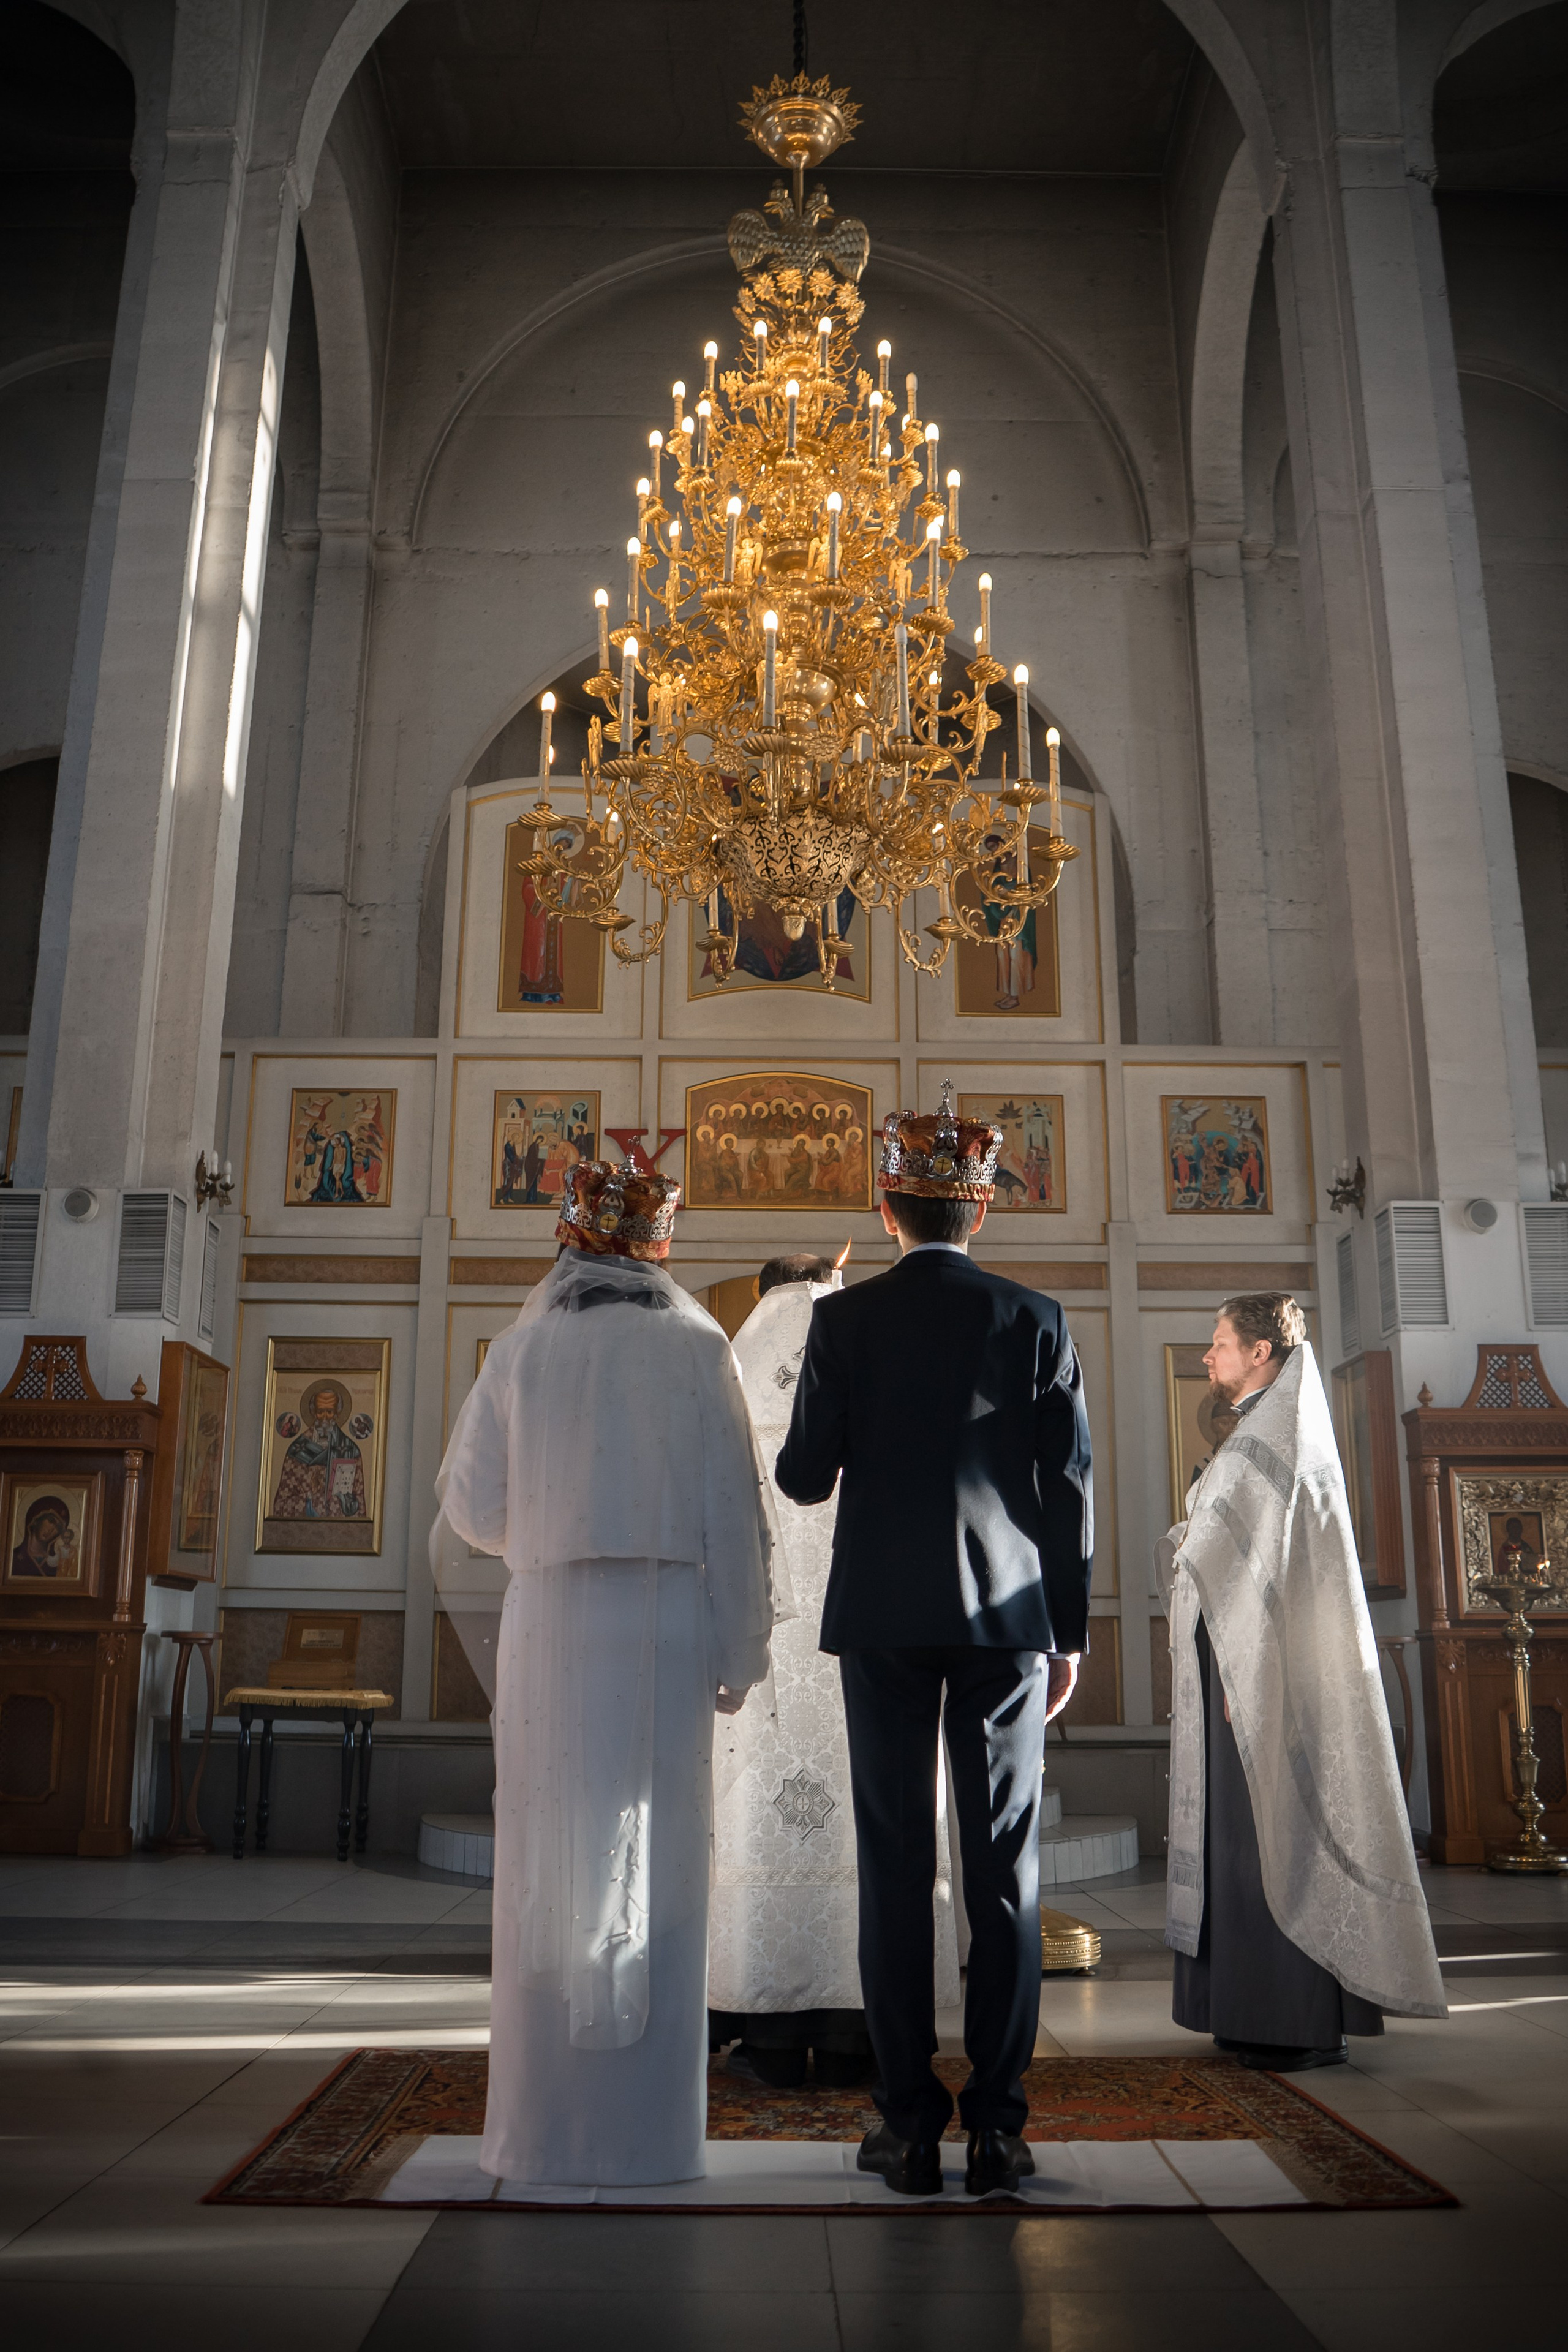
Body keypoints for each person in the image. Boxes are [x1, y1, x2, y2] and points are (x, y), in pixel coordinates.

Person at [776, 1081, 1093, 2198]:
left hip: (884, 1621)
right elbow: (1068, 1488)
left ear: (886, 1204)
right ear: (981, 1213)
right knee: (1005, 1868)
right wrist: (1071, 1633)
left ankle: (908, 2126)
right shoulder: (1036, 1318)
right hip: (1010, 1622)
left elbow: (804, 1478)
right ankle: (1000, 2128)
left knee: (897, 1866)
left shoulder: (842, 1319)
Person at [435, 1154, 776, 2187]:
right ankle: (649, 2135)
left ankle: (542, 2130)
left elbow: (477, 1511)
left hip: (552, 1623)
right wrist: (741, 1651)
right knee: (660, 1849)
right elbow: (735, 1513)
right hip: (667, 1620)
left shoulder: (527, 1350)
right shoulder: (694, 1342)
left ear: (573, 1242)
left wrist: (560, 1513)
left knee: (550, 1854)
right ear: (657, 1247)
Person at [1160, 1294, 1446, 2071]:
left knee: (1266, 1842)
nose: (1208, 1357)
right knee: (1249, 1840)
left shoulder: (1266, 1442)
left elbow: (1254, 1573)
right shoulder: (1264, 1432)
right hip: (1242, 1664)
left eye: (1220, 1343)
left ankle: (1283, 2017)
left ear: (1261, 1353)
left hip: (1257, 1674)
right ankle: (1246, 2009)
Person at [709, 1251, 960, 2091]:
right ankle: (865, 2032)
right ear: (836, 1282)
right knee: (875, 1823)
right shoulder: (874, 1340)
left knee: (758, 1821)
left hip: (767, 1643)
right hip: (874, 1626)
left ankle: (770, 2034)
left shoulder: (734, 1360)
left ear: (762, 1286)